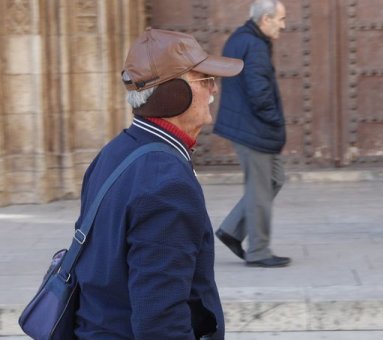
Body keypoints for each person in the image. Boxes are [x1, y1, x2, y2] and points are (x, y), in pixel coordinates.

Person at [73, 28, 243, 339]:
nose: (214, 90)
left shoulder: (116, 151)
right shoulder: (166, 184)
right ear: (173, 94)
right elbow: (160, 318)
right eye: (204, 80)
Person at [213, 0, 290, 267]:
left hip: (247, 125)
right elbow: (259, 94)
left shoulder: (241, 38)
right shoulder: (254, 45)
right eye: (280, 19)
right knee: (260, 188)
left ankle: (232, 229)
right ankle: (258, 252)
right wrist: (275, 122)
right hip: (253, 127)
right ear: (265, 19)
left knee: (274, 179)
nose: (283, 25)